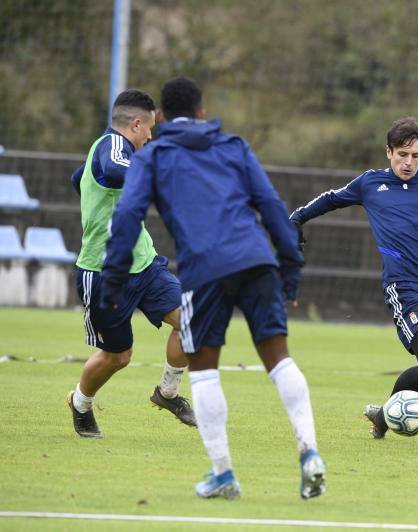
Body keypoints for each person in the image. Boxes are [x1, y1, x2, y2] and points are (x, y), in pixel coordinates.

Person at [101, 76, 325, 499]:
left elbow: (129, 216)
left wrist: (113, 280)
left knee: (204, 370)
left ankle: (223, 474)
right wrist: (290, 267)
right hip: (257, 261)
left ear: (161, 117)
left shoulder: (154, 156)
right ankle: (310, 452)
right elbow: (273, 206)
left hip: (204, 271)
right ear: (202, 113)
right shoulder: (234, 145)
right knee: (279, 358)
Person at [290, 117, 418, 451]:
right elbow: (331, 198)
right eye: (403, 155)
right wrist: (296, 218)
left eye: (416, 155)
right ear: (388, 152)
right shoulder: (370, 184)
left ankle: (382, 417)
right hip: (403, 287)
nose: (409, 162)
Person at [67, 89, 196, 439]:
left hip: (144, 263)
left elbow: (79, 178)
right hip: (104, 272)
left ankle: (167, 393)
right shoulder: (110, 146)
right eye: (149, 129)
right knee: (118, 356)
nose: (150, 136)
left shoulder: (120, 153)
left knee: (190, 322)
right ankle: (80, 403)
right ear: (135, 124)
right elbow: (109, 168)